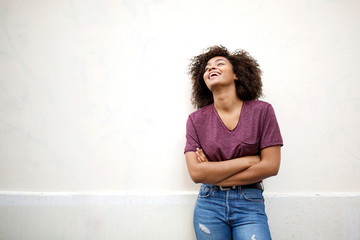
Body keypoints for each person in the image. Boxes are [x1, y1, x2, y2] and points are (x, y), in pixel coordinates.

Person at [184, 45, 283, 240]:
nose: (211, 68)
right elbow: (196, 173)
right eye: (206, 68)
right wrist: (249, 160)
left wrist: (212, 172)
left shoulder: (262, 111)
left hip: (249, 203)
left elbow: (271, 166)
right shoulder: (196, 120)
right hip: (208, 204)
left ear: (236, 74)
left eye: (219, 63)